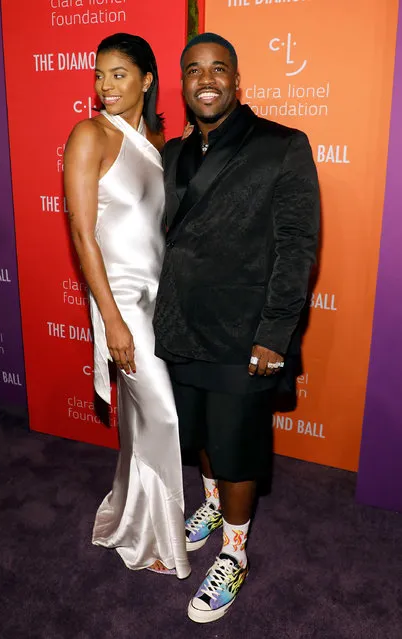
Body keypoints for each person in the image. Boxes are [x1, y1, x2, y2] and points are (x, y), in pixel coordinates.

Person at [153, 32, 320, 622]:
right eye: (194, 69)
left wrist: (275, 333)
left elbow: (299, 245)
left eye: (218, 68)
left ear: (237, 80)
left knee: (238, 448)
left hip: (244, 332)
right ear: (182, 81)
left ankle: (235, 551)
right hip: (179, 325)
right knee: (200, 435)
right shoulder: (171, 153)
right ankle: (213, 505)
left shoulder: (281, 145)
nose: (206, 79)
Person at [64, 33, 190, 579]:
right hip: (122, 301)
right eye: (98, 75)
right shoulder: (89, 135)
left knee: (142, 420)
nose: (104, 86)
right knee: (163, 413)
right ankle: (161, 541)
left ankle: (131, 518)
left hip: (163, 296)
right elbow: (82, 233)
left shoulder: (159, 140)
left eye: (117, 74)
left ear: (147, 79)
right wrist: (110, 319)